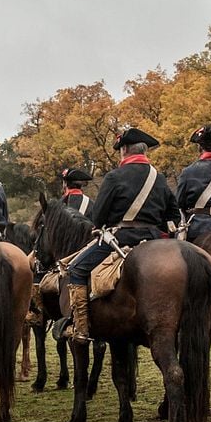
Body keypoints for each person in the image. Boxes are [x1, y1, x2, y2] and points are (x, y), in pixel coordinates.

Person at [64, 128, 180, 343]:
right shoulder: (160, 178)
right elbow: (173, 215)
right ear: (144, 151)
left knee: (76, 270)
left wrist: (102, 225)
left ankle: (80, 329)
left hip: (120, 239)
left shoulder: (114, 176)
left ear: (124, 149)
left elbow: (98, 216)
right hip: (154, 239)